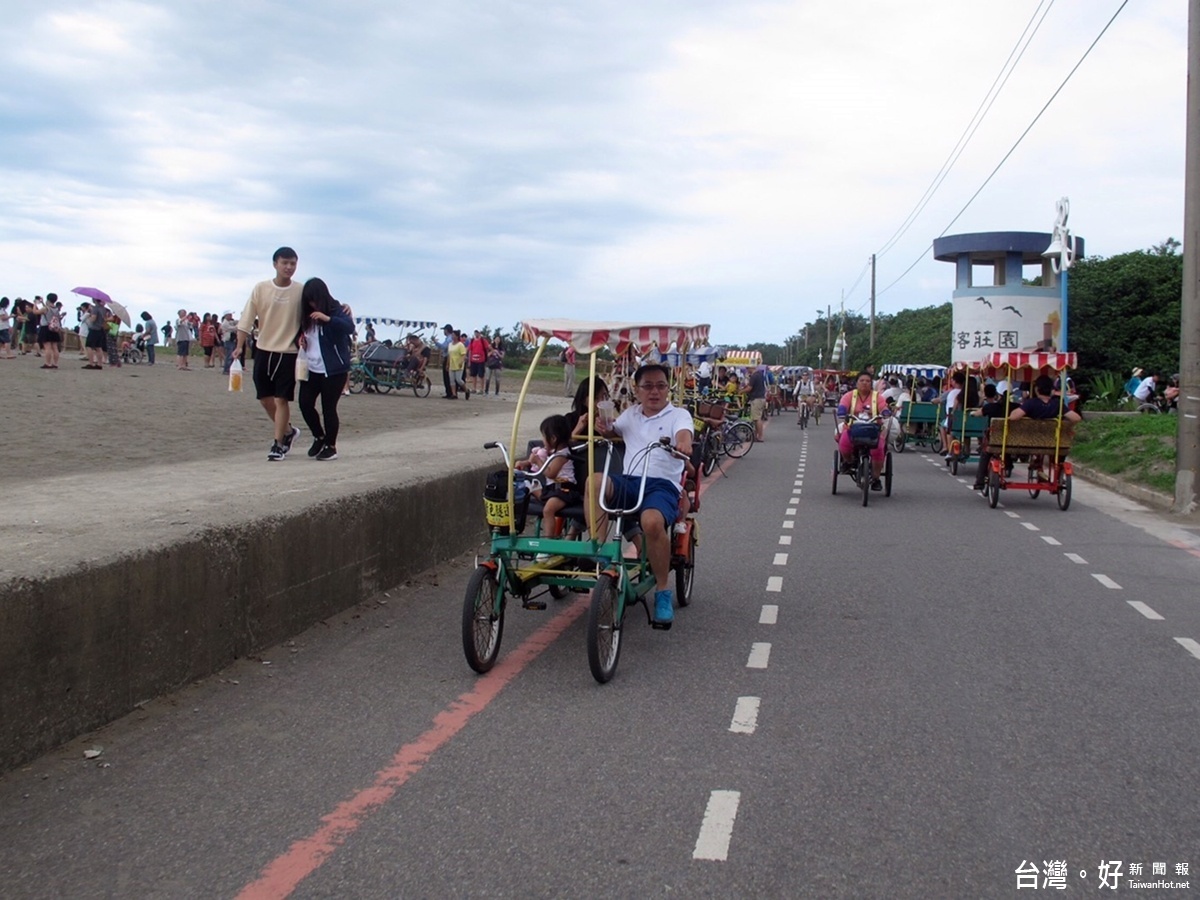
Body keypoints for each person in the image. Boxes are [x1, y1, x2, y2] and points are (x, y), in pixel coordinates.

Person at [585, 363, 693, 628]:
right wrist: (603, 426)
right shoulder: (631, 414)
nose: (654, 392)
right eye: (647, 386)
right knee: (594, 481)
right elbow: (612, 429)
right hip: (630, 481)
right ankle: (598, 550)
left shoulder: (678, 415)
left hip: (662, 485)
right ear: (637, 390)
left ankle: (663, 591)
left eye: (660, 386)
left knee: (653, 523)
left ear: (668, 388)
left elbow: (684, 436)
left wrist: (682, 445)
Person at [235, 247, 304, 461]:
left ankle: (278, 444)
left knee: (282, 399)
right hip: (264, 349)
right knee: (265, 398)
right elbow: (246, 319)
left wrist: (344, 307)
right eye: (285, 263)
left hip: (289, 352)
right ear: (275, 264)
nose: (289, 267)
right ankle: (288, 431)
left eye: (293, 263)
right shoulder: (261, 288)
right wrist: (239, 347)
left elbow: (324, 304)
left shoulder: (301, 290)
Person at [295, 278, 354, 461]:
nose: (312, 304)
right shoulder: (306, 315)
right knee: (305, 403)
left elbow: (349, 327)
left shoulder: (338, 310)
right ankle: (319, 436)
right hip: (311, 368)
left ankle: (331, 446)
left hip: (333, 370)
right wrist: (300, 340)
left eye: (314, 300)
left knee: (328, 408)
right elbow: (300, 333)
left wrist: (327, 319)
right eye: (308, 301)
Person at [836, 370, 890, 491]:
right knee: (844, 444)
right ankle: (849, 462)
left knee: (878, 449)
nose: (865, 383)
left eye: (868, 381)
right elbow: (843, 405)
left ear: (871, 383)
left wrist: (885, 412)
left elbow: (883, 407)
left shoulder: (877, 397)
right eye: (862, 381)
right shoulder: (849, 395)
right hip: (852, 428)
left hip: (873, 430)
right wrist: (842, 411)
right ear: (857, 383)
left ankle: (876, 478)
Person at [34, 294, 63, 368]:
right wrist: (43, 302)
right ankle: (55, 363)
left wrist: (35, 303)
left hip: (46, 327)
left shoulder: (45, 308)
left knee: (47, 347)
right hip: (54, 328)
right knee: (55, 347)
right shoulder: (56, 308)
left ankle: (48, 363)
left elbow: (35, 312)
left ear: (48, 300)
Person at [742, 365, 768, 442]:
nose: (747, 370)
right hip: (761, 398)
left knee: (757, 419)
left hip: (756, 399)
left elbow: (749, 388)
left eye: (747, 368)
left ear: (751, 368)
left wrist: (740, 391)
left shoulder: (754, 376)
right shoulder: (760, 374)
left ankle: (760, 436)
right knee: (757, 418)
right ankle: (756, 435)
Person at [467, 329, 491, 395]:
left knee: (481, 375)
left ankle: (481, 389)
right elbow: (470, 350)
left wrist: (489, 354)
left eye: (477, 333)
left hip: (481, 361)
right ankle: (474, 388)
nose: (476, 334)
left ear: (479, 333)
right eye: (475, 333)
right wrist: (469, 360)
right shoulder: (472, 341)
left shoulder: (483, 341)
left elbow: (489, 347)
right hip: (473, 360)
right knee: (473, 375)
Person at [448, 330, 468, 399]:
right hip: (452, 364)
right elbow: (449, 355)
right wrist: (447, 364)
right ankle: (454, 394)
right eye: (452, 335)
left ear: (457, 336)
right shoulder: (450, 344)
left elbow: (463, 354)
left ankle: (466, 390)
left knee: (458, 379)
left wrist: (461, 362)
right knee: (452, 380)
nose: (452, 336)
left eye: (453, 335)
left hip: (458, 363)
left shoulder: (460, 345)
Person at [437, 324, 455, 398]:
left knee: (447, 376)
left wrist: (435, 342)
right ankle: (449, 392)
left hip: (448, 358)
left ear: (447, 330)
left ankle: (450, 392)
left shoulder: (449, 339)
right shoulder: (448, 338)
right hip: (447, 357)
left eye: (444, 330)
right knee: (447, 376)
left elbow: (444, 347)